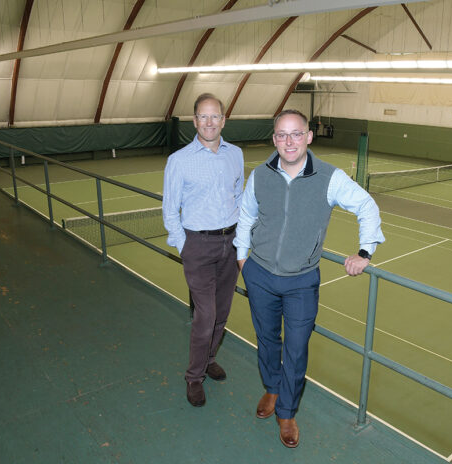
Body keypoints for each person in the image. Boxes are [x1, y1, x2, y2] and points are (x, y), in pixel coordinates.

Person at [233, 109, 385, 448]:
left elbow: (366, 206)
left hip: (301, 281)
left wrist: (364, 252)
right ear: (274, 139)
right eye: (282, 135)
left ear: (309, 137)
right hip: (258, 273)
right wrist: (242, 258)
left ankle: (286, 412)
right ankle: (271, 390)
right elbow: (245, 216)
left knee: (297, 348)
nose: (289, 141)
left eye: (296, 134)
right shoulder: (259, 174)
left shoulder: (330, 177)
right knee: (267, 339)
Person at [162, 93, 244, 407]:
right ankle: (194, 377)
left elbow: (238, 196)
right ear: (195, 121)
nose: (209, 122)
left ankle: (210, 359)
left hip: (230, 243)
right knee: (205, 316)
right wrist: (187, 248)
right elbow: (170, 211)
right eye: (203, 117)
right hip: (198, 245)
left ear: (224, 120)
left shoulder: (235, 154)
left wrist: (239, 240)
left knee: (221, 313)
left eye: (215, 116)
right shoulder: (179, 161)